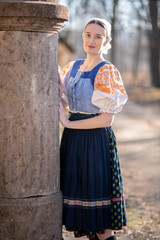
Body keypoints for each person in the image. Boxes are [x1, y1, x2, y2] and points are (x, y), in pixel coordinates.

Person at [59, 18, 128, 240]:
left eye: (98, 36)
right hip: (73, 142)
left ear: (106, 42)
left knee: (100, 222)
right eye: (88, 35)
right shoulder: (73, 67)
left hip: (95, 142)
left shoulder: (107, 71)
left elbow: (106, 120)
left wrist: (68, 123)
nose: (92, 40)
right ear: (83, 37)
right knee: (87, 220)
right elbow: (72, 103)